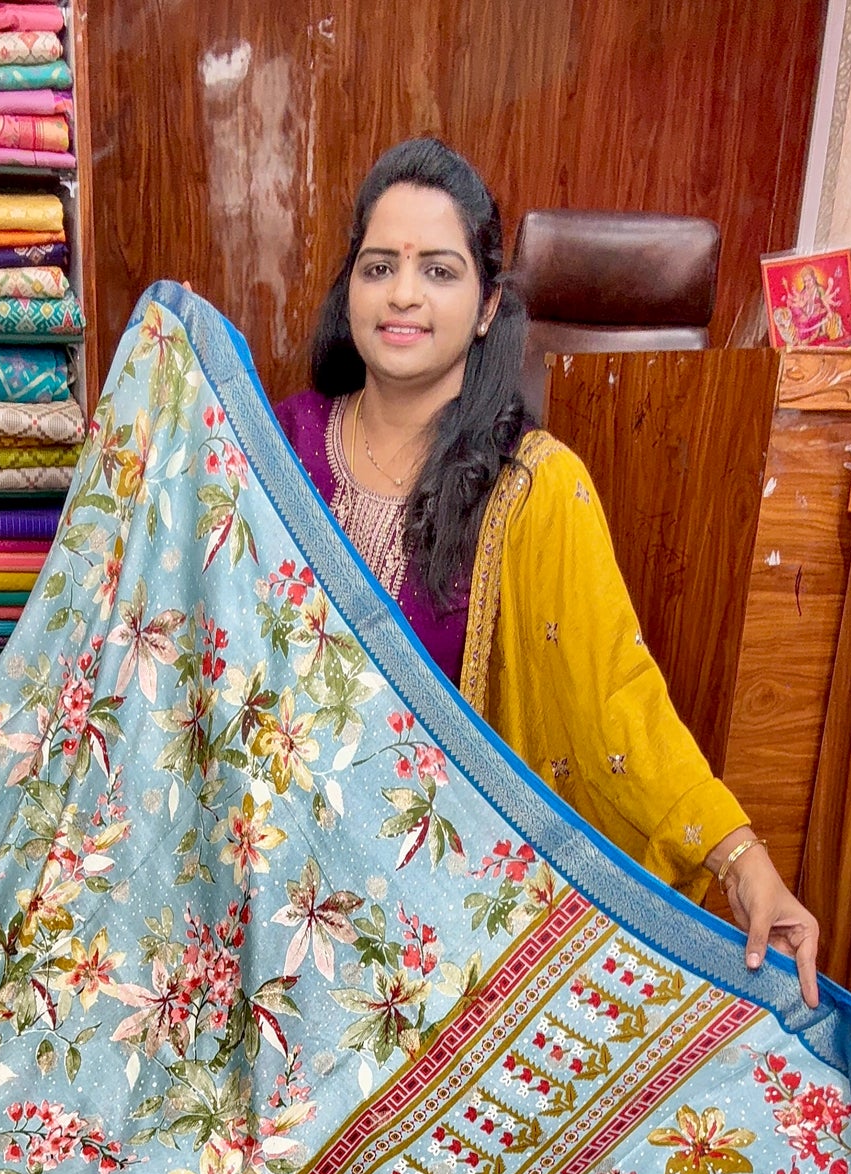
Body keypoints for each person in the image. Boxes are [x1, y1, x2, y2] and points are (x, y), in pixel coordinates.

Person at [275, 138, 820, 1007]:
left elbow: (617, 701)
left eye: (440, 270)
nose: (404, 293)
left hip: (440, 926)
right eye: (380, 267)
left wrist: (743, 865)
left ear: (487, 305)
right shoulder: (278, 446)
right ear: (351, 289)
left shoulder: (533, 487)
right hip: (279, 881)